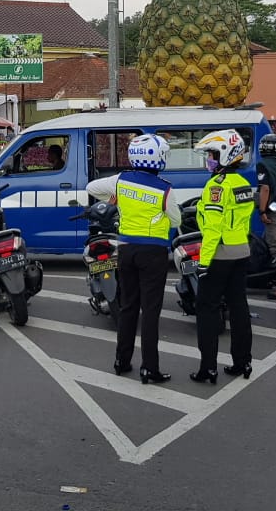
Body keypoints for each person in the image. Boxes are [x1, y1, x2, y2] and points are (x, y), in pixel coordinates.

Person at [85, 134, 181, 385]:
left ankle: (122, 361)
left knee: (128, 306)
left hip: (126, 250)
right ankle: (150, 368)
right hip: (153, 253)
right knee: (150, 311)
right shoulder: (164, 188)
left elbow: (91, 188)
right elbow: (176, 220)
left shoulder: (121, 180)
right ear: (157, 158)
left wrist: (113, 200)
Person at [189, 130, 254, 385]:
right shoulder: (242, 183)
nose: (209, 160)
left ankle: (208, 369)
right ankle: (242, 362)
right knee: (239, 307)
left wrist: (204, 262)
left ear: (227, 155)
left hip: (219, 255)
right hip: (241, 251)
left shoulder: (217, 186)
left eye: (213, 155)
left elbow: (213, 229)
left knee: (206, 309)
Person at [256, 134, 276, 250]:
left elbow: (265, 188)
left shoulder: (262, 164)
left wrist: (262, 211)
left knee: (275, 245)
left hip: (271, 210)